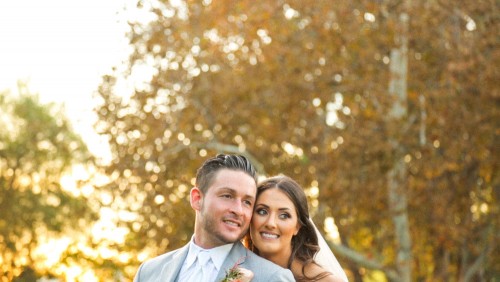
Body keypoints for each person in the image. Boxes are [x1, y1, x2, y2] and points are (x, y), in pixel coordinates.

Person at [133, 154, 294, 282]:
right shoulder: (148, 272)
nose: (238, 210)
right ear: (197, 199)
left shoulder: (273, 278)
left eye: (247, 202)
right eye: (227, 196)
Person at [244, 175, 348, 282]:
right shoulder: (237, 269)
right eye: (262, 211)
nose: (270, 223)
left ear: (297, 226)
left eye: (284, 215)